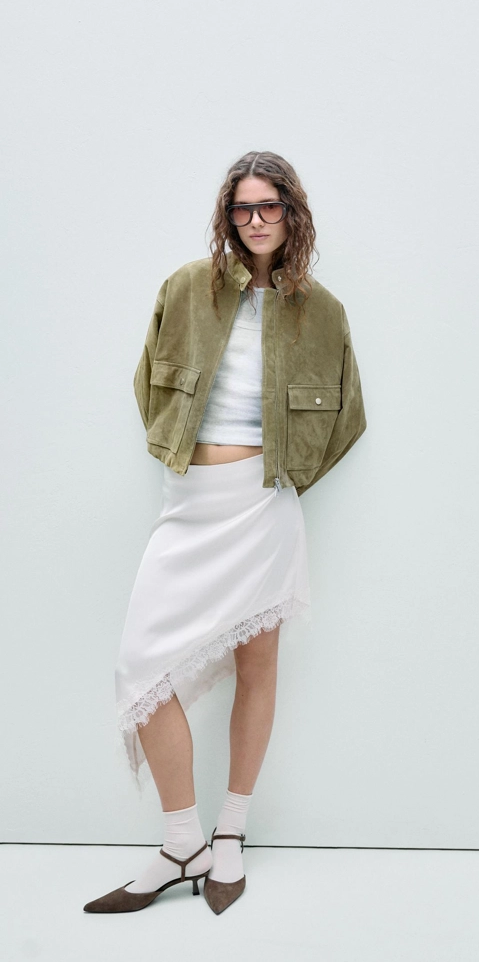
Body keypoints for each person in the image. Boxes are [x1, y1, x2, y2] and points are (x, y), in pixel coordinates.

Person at [83, 150, 367, 915]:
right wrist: (185, 457)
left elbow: (348, 416)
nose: (255, 220)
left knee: (257, 663)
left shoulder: (323, 312)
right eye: (243, 207)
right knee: (140, 666)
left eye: (269, 206)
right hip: (189, 505)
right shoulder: (187, 289)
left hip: (263, 507)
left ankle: (230, 830)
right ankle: (184, 841)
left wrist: (282, 476)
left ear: (292, 213)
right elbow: (147, 383)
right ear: (227, 216)